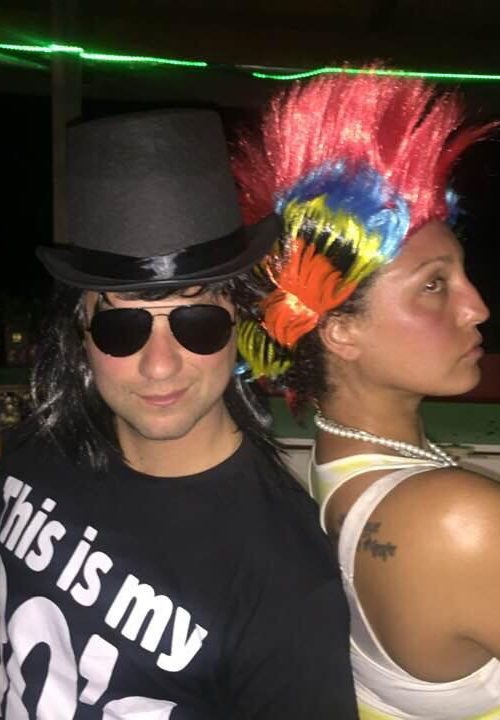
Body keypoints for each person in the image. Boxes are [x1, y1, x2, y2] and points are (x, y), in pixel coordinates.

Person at [0, 109, 358, 718]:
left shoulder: (285, 579)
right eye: (122, 327)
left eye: (198, 322)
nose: (160, 366)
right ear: (80, 331)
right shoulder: (35, 449)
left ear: (239, 323)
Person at [234, 70, 500, 719]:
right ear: (342, 331)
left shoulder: (333, 472)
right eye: (434, 285)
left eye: (461, 275)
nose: (477, 308)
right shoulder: (456, 521)